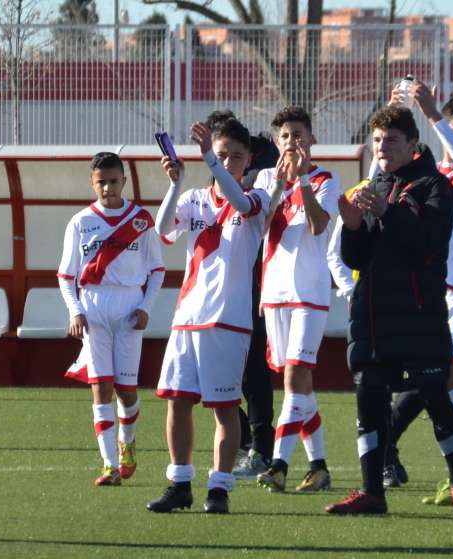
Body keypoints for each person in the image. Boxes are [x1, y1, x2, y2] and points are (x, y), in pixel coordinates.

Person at [325, 105, 453, 516]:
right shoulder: (374, 184)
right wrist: (354, 227)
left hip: (419, 312)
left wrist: (386, 212)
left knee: (435, 396)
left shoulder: (434, 186)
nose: (382, 147)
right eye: (376, 140)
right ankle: (372, 491)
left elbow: (427, 246)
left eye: (391, 140)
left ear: (412, 144)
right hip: (373, 316)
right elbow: (359, 258)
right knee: (369, 399)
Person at [147, 118, 271, 514]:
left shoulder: (258, 197)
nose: (229, 162)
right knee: (177, 402)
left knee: (224, 407)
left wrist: (210, 163)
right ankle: (180, 483)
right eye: (222, 155)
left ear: (249, 158)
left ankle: (219, 488)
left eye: (237, 156)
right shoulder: (194, 199)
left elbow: (240, 203)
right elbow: (162, 230)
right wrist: (175, 183)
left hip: (229, 320)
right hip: (187, 317)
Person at [381, 82, 453, 505]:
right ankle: (442, 467)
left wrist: (434, 118)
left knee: (447, 377)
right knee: (425, 380)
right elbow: (385, 160)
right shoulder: (426, 174)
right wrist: (396, 113)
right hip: (423, 289)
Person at [58, 152, 164, 486]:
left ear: (124, 181)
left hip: (130, 307)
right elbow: (66, 275)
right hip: (94, 309)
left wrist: (146, 306)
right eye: (101, 182)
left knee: (126, 390)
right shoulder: (80, 222)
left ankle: (127, 443)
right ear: (92, 183)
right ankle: (109, 466)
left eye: (113, 181)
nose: (107, 188)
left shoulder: (141, 220)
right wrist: (75, 310)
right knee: (101, 387)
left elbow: (157, 270)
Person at [253, 106, 339, 493]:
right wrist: (280, 183)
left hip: (309, 292)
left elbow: (320, 224)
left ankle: (278, 464)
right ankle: (319, 466)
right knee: (298, 383)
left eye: (299, 134)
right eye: (286, 136)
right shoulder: (266, 178)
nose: (293, 142)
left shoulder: (325, 179)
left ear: (312, 139)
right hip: (275, 293)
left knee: (294, 377)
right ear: (276, 142)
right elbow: (258, 223)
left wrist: (302, 180)